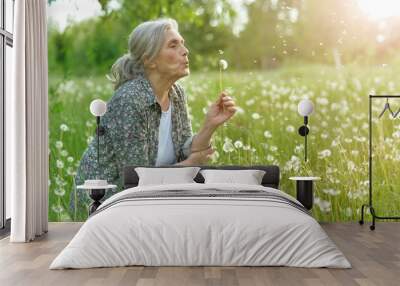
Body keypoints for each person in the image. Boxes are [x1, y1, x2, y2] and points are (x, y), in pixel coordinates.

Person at [70, 18, 237, 219]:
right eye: (173, 45)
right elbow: (136, 178)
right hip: (109, 204)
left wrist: (210, 125)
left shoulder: (176, 93)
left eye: (182, 43)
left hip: (151, 199)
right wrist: (191, 164)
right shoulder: (129, 100)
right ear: (150, 60)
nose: (185, 51)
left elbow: (184, 149)